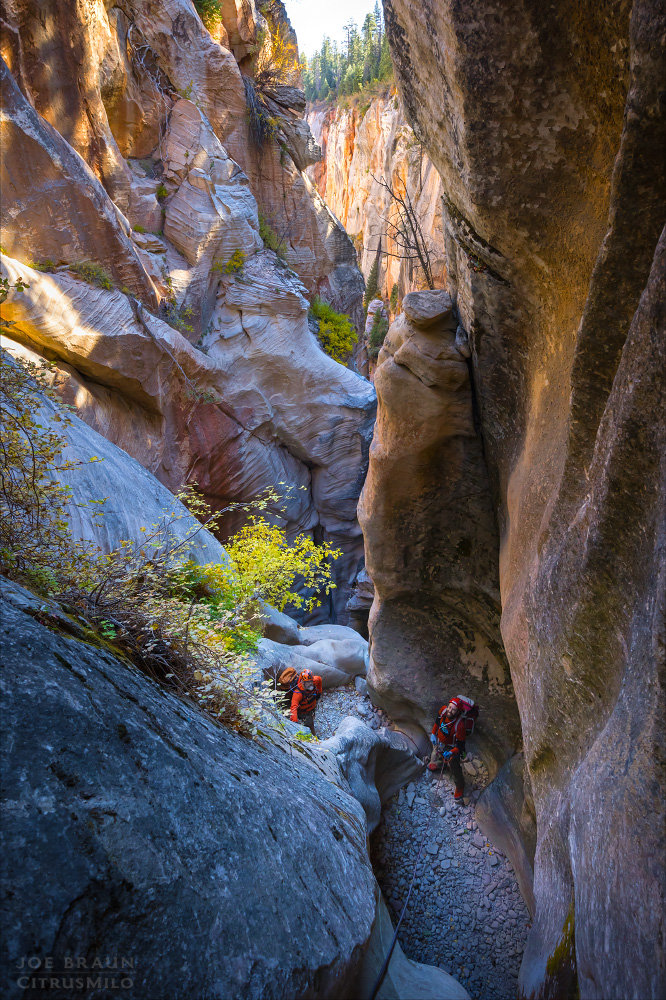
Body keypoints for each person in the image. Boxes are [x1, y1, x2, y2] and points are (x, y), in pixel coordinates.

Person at [428, 697, 468, 799]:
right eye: (450, 707)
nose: (450, 711)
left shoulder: (459, 726)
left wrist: (451, 753)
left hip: (451, 747)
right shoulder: (443, 710)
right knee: (439, 754)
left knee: (454, 767)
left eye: (453, 709)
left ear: (458, 711)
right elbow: (437, 721)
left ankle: (460, 786)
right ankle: (440, 765)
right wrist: (433, 733)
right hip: (441, 742)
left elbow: (461, 746)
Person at [290, 668, 323, 736]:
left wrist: (319, 691)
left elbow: (319, 679)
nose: (311, 683)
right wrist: (294, 722)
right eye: (308, 682)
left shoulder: (314, 681)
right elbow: (293, 707)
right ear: (303, 682)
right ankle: (313, 737)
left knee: (311, 722)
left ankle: (313, 735)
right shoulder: (298, 693)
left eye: (311, 680)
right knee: (310, 723)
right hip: (303, 712)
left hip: (311, 706)